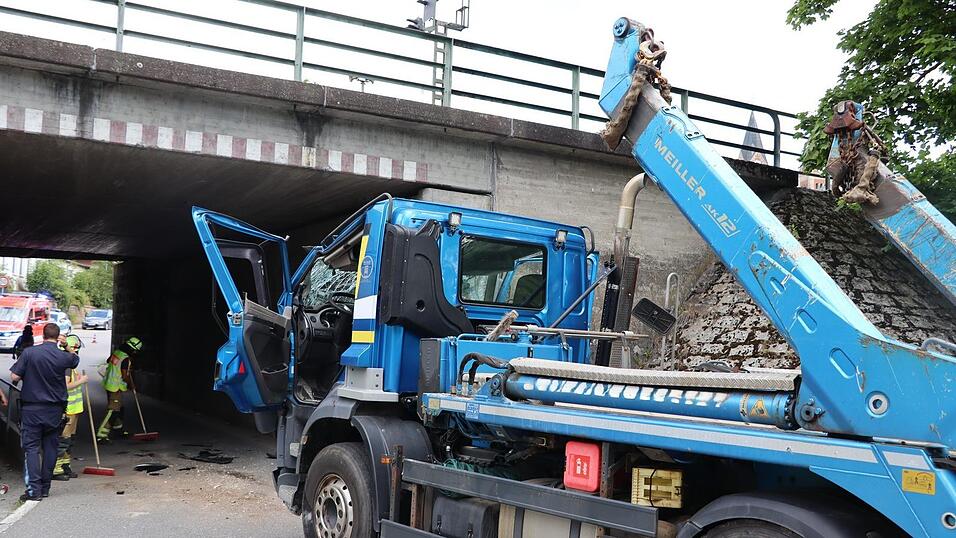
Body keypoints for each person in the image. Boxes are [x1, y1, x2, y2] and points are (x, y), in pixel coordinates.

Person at [10, 323, 79, 501]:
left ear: (42, 334)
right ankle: (46, 487)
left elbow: (14, 377)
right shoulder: (63, 356)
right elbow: (74, 359)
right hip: (55, 411)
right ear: (58, 337)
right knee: (50, 447)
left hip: (32, 409)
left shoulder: (29, 353)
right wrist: (65, 346)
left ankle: (34, 491)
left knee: (31, 449)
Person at [53, 335, 87, 481]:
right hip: (68, 410)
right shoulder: (66, 366)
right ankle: (56, 469)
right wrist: (82, 381)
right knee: (63, 440)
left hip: (74, 410)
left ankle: (65, 466)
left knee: (69, 440)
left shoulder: (70, 366)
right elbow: (65, 386)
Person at [96, 336, 142, 441]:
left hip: (109, 384)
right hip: (115, 387)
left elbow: (109, 361)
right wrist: (132, 385)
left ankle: (118, 429)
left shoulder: (117, 353)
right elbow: (125, 375)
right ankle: (101, 435)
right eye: (135, 351)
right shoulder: (125, 358)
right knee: (113, 411)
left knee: (120, 408)